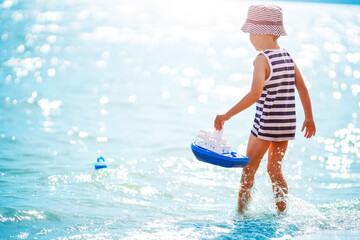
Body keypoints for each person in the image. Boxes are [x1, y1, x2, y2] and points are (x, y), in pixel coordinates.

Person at [214, 4, 316, 214]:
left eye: (251, 31)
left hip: (265, 125)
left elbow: (255, 94)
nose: (250, 37)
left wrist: (227, 114)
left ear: (263, 32)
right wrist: (309, 118)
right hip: (285, 127)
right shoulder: (288, 57)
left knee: (249, 170)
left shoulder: (263, 59)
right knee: (274, 170)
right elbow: (302, 88)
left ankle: (241, 214)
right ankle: (282, 212)